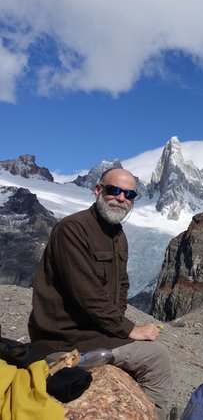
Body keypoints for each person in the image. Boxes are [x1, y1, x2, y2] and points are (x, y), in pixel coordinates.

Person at [28, 167, 172, 419]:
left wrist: (116, 325)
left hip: (95, 331)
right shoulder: (72, 229)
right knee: (156, 357)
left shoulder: (118, 235)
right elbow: (86, 294)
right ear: (98, 190)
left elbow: (122, 285)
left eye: (129, 195)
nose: (121, 198)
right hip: (65, 338)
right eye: (113, 190)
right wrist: (128, 330)